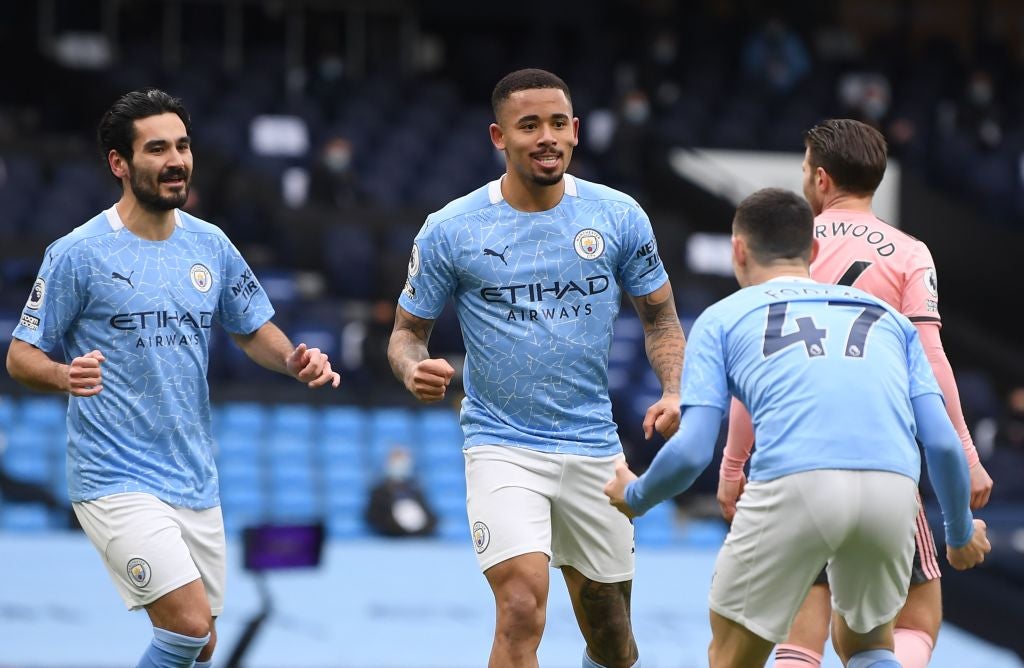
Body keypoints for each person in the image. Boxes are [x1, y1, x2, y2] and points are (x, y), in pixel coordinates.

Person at [5, 89, 341, 668]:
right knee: (187, 627)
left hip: (193, 479)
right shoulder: (77, 253)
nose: (176, 160)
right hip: (114, 477)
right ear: (120, 163)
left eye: (182, 146)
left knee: (201, 645)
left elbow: (251, 327)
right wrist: (63, 374)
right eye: (157, 148)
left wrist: (291, 360)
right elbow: (19, 355)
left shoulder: (210, 244)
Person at [604, 187, 991, 668]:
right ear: (812, 252)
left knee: (732, 654)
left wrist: (636, 496)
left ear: (738, 251)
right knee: (870, 647)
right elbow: (942, 444)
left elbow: (691, 450)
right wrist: (957, 534)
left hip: (794, 484)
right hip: (891, 492)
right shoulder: (889, 318)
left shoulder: (723, 318)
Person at [387, 68, 686, 668]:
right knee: (522, 604)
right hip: (501, 445)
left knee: (613, 642)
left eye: (557, 123)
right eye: (529, 125)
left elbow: (661, 320)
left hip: (594, 447)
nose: (546, 136)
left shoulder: (618, 216)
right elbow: (404, 335)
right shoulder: (453, 228)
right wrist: (411, 368)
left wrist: (675, 390)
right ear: (499, 137)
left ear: (575, 131)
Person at [717, 118, 995, 668]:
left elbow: (756, 365)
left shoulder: (783, 250)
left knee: (801, 631)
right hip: (877, 455)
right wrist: (966, 452)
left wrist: (733, 465)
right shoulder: (910, 252)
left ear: (820, 179)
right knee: (913, 619)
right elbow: (932, 360)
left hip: (789, 459)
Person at [364, 445, 438, 537]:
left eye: (403, 460)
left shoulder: (415, 489)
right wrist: (398, 527)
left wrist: (417, 527)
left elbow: (431, 518)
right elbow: (373, 518)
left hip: (416, 541)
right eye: (396, 460)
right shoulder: (379, 491)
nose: (399, 465)